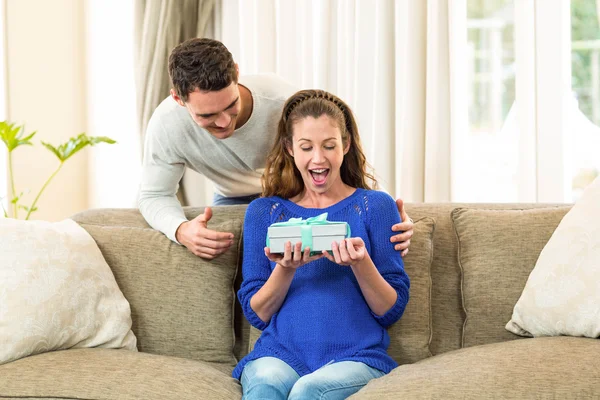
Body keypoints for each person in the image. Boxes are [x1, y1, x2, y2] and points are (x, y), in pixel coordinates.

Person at [138, 38, 414, 259]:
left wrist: (382, 213)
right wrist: (181, 229)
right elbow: (153, 195)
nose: (224, 122)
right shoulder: (166, 126)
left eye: (230, 105)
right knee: (226, 258)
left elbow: (328, 156)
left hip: (294, 187)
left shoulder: (281, 100)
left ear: (236, 73)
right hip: (233, 198)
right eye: (207, 116)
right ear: (178, 98)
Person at [233, 89, 410, 399]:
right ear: (289, 148)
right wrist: (285, 269)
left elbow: (390, 311)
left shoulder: (375, 207)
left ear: (346, 145)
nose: (318, 158)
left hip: (355, 356)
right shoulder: (265, 212)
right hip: (279, 354)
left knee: (308, 390)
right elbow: (255, 314)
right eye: (306, 147)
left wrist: (361, 263)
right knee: (264, 384)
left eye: (329, 145)